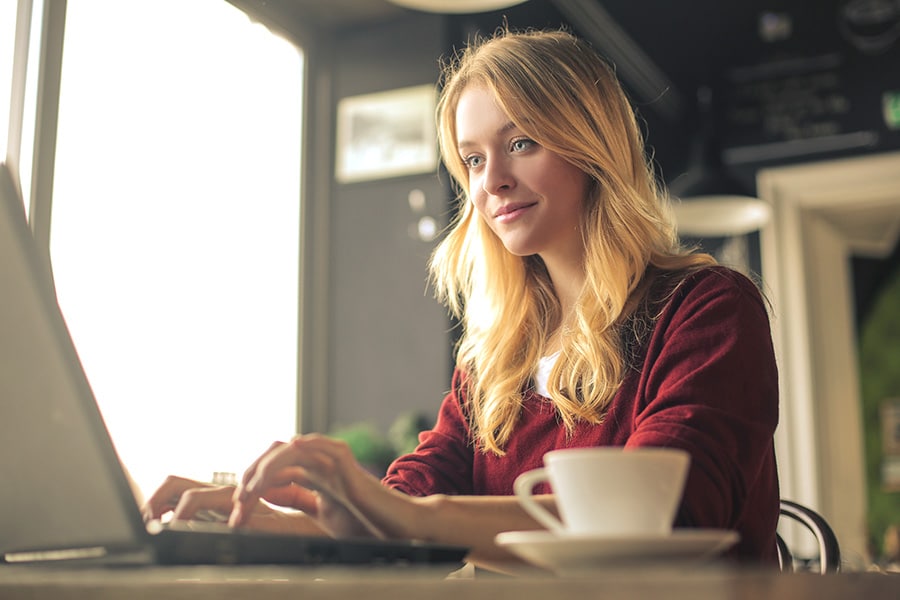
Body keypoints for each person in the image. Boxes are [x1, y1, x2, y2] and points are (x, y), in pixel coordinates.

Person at [144, 27, 780, 569]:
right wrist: (248, 519)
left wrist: (401, 511)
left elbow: (661, 517)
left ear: (591, 147)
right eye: (473, 160)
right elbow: (401, 513)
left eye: (521, 143)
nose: (493, 181)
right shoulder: (494, 358)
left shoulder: (708, 309)